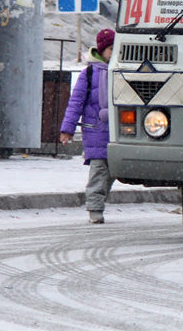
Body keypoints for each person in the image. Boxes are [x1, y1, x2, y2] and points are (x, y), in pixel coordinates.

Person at [60, 29, 116, 223]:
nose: (114, 52)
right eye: (111, 48)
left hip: (119, 132)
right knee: (100, 171)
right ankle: (95, 209)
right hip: (97, 131)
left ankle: (98, 203)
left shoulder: (122, 70)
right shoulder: (90, 73)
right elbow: (76, 102)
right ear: (102, 50)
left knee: (112, 173)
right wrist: (68, 128)